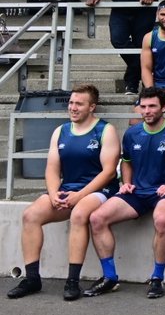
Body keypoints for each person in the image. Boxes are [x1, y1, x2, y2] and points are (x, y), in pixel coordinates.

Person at [7, 84, 119, 301]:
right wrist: (53, 193)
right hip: (68, 189)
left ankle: (72, 281)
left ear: (92, 107)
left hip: (99, 189)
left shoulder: (106, 130)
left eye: (79, 104)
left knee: (79, 215)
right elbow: (52, 168)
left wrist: (80, 195)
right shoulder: (61, 131)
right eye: (71, 103)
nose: (73, 108)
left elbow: (107, 173)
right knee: (30, 215)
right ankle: (32, 279)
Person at [84, 87, 165, 298]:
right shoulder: (132, 133)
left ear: (164, 107)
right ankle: (109, 278)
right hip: (137, 192)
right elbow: (126, 162)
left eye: (152, 106)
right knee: (97, 217)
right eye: (143, 106)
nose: (147, 111)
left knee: (161, 219)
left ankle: (156, 279)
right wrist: (126, 183)